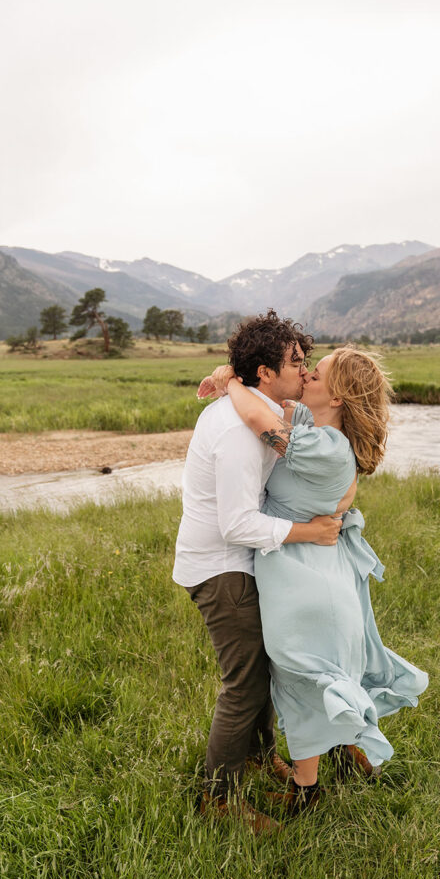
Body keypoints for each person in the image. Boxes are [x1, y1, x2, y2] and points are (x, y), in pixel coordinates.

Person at [205, 346, 429, 810]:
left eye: (317, 372)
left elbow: (257, 421)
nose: (306, 373)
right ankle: (343, 754)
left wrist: (230, 381)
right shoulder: (319, 432)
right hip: (304, 572)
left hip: (302, 581)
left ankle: (306, 792)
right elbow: (282, 412)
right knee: (306, 676)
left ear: (340, 396)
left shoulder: (326, 447)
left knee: (302, 678)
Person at [172, 310, 342, 834]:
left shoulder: (255, 409)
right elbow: (236, 523)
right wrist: (307, 534)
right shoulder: (239, 431)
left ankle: (257, 757)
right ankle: (219, 799)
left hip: (238, 563)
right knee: (244, 685)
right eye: (296, 362)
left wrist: (229, 376)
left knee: (263, 671)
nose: (305, 370)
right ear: (265, 372)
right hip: (221, 568)